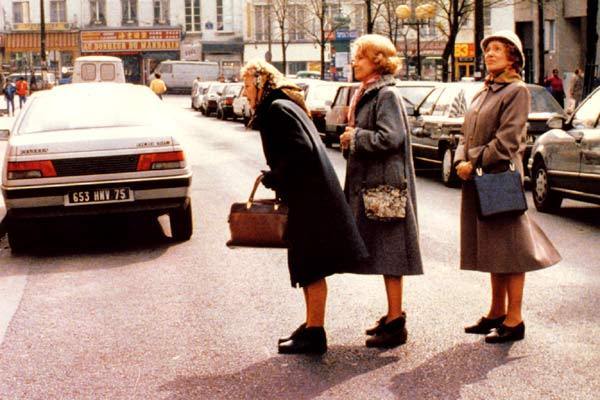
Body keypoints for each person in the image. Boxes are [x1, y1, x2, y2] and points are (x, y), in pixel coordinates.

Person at [240, 59, 368, 355]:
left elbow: (301, 152)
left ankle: (315, 333)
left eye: (247, 85)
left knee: (309, 266)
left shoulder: (276, 110)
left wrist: (277, 176)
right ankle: (312, 326)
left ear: (261, 84)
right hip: (313, 196)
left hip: (309, 200)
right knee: (310, 265)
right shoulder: (284, 104)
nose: (245, 93)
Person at [454, 30, 561, 344]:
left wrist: (471, 162)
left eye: (498, 49)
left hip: (499, 178)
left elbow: (508, 141)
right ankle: (495, 312)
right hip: (480, 177)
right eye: (488, 50)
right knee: (493, 247)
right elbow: (465, 133)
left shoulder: (516, 91)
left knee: (511, 249)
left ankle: (515, 319)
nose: (490, 54)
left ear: (514, 57)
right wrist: (463, 157)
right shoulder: (484, 91)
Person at [339, 34, 423, 349]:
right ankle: (391, 316)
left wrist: (355, 137)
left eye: (360, 57)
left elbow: (392, 138)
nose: (354, 62)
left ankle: (396, 321)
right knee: (385, 251)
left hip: (386, 185)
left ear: (376, 61)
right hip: (376, 184)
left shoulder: (385, 95)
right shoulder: (369, 92)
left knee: (391, 253)